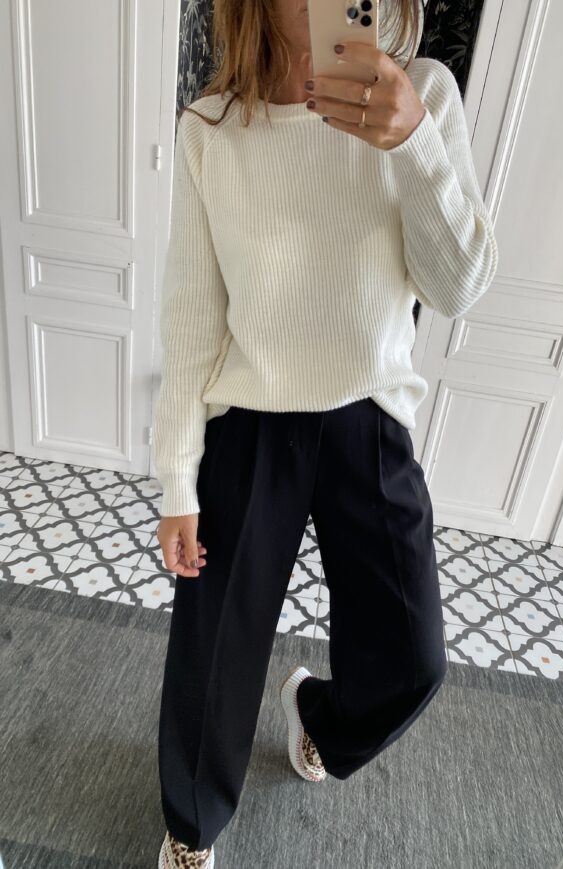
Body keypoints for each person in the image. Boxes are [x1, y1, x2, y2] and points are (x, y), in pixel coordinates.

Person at [152, 0, 498, 866]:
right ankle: (191, 827)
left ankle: (318, 716)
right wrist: (176, 479)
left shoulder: (423, 93)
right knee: (211, 663)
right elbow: (192, 317)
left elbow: (457, 288)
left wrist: (414, 143)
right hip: (249, 423)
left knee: (412, 661)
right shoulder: (211, 128)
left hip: (368, 419)